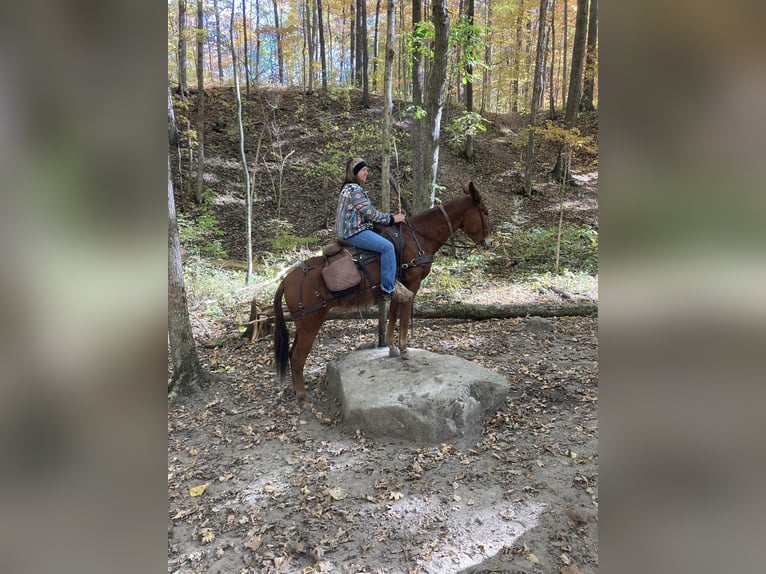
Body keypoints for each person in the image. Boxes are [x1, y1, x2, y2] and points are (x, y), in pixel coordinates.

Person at [334, 157, 414, 302]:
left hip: (352, 230)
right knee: (387, 247)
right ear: (355, 172)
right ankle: (388, 289)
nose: (367, 173)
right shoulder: (354, 189)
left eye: (367, 170)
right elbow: (369, 213)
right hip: (354, 232)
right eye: (363, 170)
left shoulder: (347, 188)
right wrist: (392, 218)